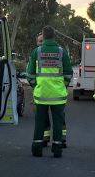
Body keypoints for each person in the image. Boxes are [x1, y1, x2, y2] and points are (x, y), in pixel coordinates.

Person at [27, 26, 72, 157]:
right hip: (58, 95)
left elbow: (30, 74)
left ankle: (37, 149)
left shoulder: (37, 51)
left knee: (40, 122)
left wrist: (36, 86)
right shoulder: (62, 52)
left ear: (44, 36)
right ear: (54, 36)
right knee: (58, 122)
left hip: (41, 95)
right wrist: (62, 86)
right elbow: (69, 73)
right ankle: (57, 150)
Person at [35, 31, 69, 148]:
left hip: (48, 94)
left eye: (42, 40)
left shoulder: (57, 52)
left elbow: (67, 73)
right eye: (39, 41)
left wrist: (61, 85)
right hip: (52, 94)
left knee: (59, 120)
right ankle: (47, 140)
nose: (41, 43)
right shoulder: (37, 54)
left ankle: (61, 140)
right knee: (46, 120)